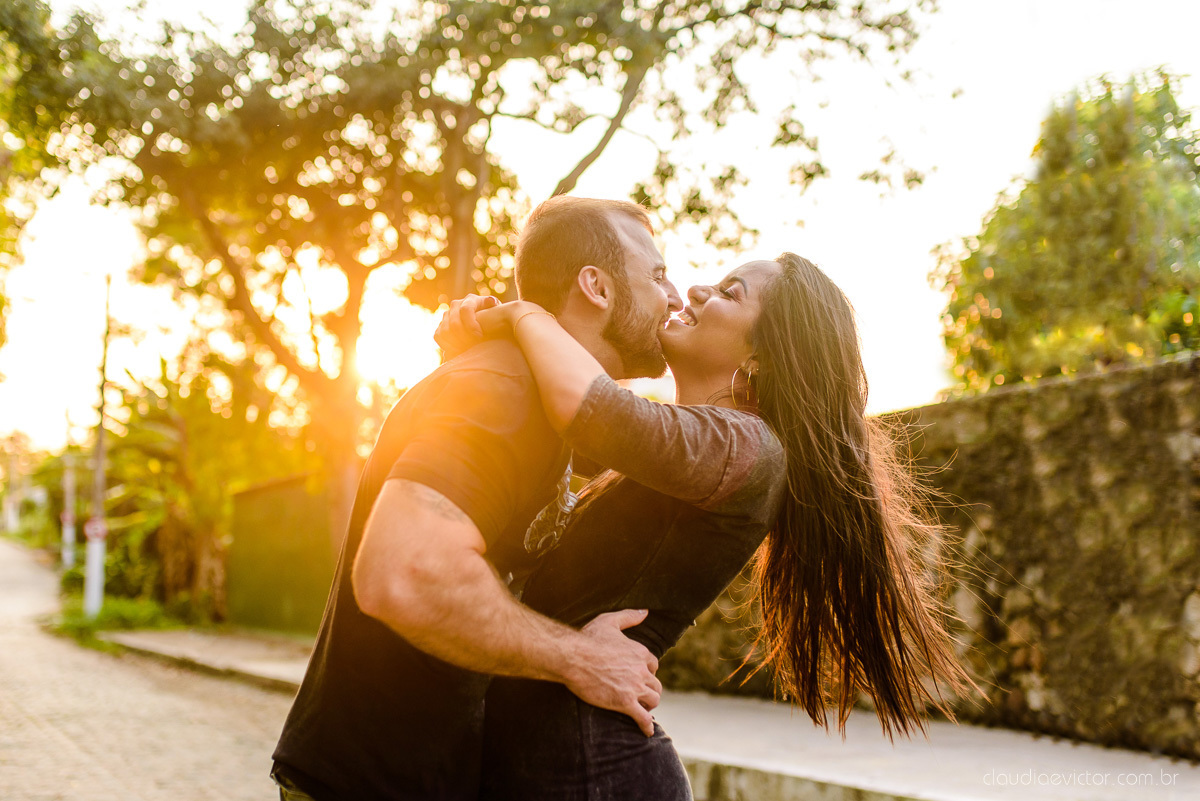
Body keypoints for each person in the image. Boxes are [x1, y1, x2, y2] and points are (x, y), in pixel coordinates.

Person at [437, 253, 971, 799]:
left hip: (596, 775)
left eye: (729, 291)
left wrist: (524, 316)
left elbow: (589, 407)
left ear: (763, 356)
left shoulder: (747, 445)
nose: (692, 290)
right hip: (561, 764)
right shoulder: (680, 450)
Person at [270, 196, 684, 801]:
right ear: (595, 286)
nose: (673, 296)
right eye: (657, 274)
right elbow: (403, 572)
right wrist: (579, 658)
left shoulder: (540, 398)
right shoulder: (498, 392)